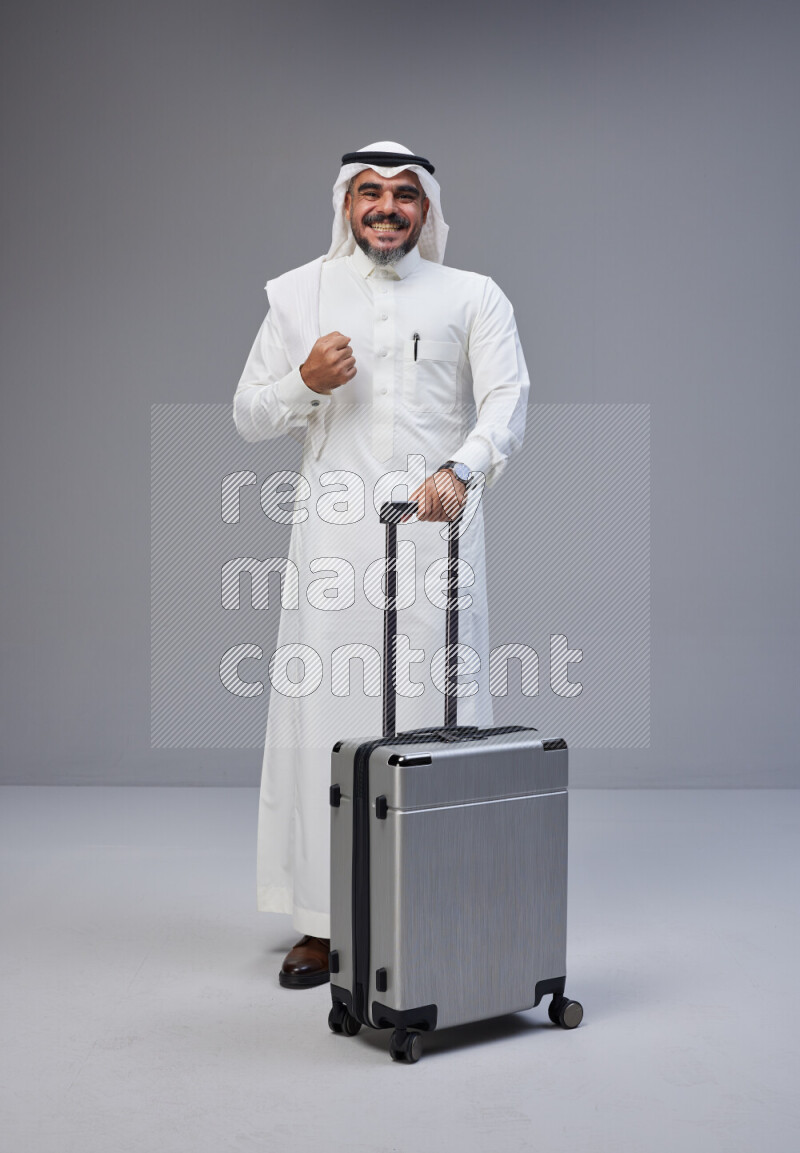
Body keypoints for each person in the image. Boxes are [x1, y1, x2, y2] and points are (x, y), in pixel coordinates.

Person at [233, 141, 529, 988]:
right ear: (345, 204)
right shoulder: (298, 293)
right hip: (335, 538)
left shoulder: (475, 295)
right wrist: (304, 381)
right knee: (327, 714)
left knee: (446, 716)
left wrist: (461, 470)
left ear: (428, 208)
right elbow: (250, 412)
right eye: (370, 192)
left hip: (438, 528)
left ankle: (439, 897)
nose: (387, 206)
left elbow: (507, 399)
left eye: (405, 193)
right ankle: (324, 925)